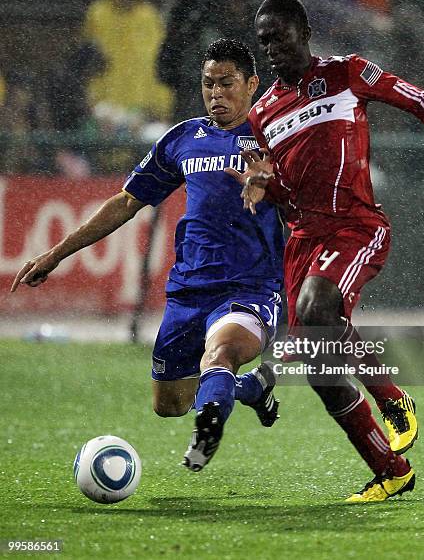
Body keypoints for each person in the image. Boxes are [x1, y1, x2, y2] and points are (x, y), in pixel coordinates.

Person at [229, 0, 424, 502]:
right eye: (263, 40)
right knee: (321, 367)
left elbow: (419, 100)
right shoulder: (262, 114)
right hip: (303, 242)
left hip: (355, 227)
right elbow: (282, 196)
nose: (270, 49)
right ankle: (391, 470)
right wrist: (260, 182)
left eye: (279, 37)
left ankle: (388, 397)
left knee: (315, 310)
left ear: (305, 32)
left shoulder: (347, 73)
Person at [10, 38, 285, 473]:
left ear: (252, 84)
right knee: (169, 404)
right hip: (189, 289)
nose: (216, 93)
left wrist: (272, 183)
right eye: (208, 84)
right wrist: (56, 253)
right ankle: (249, 389)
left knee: (221, 352)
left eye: (227, 83)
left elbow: (315, 201)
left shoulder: (277, 139)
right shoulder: (184, 138)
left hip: (250, 285)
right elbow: (125, 202)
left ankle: (209, 427)